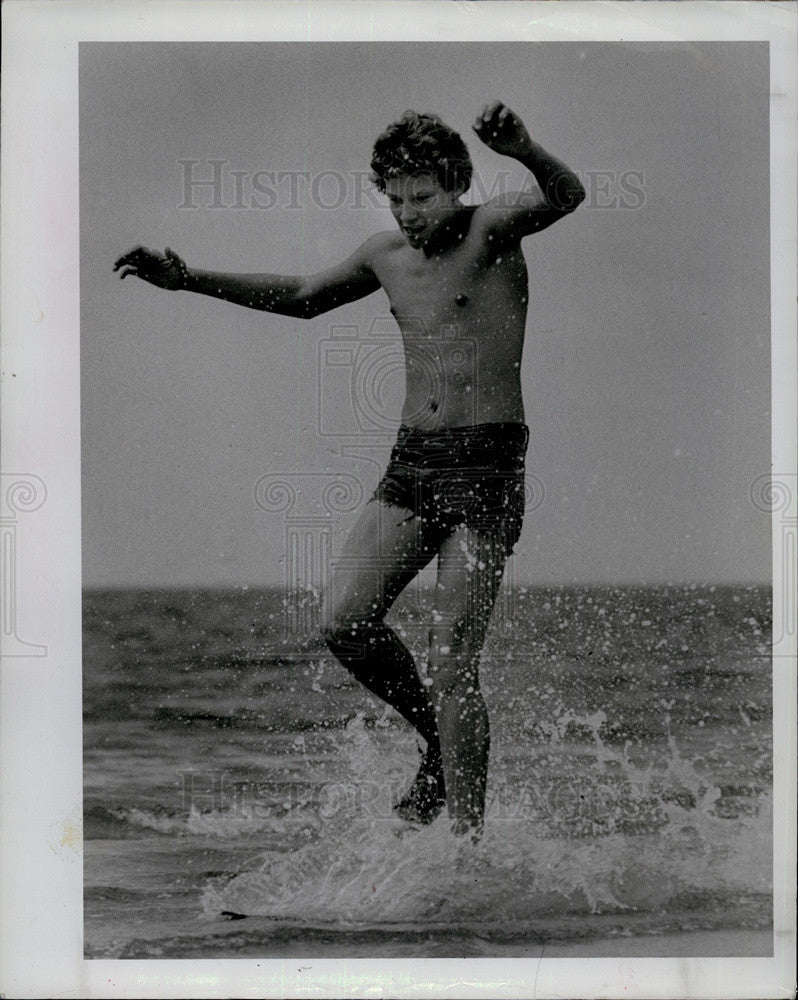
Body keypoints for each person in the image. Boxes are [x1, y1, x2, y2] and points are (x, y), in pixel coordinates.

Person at [114, 101, 585, 840]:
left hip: (486, 464)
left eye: (422, 198)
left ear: (458, 184)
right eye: (396, 200)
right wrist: (189, 279)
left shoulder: (493, 230)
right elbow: (302, 298)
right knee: (342, 619)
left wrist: (525, 146)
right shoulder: (383, 256)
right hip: (412, 461)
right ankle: (438, 745)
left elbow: (566, 196)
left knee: (453, 663)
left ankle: (466, 852)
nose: (408, 214)